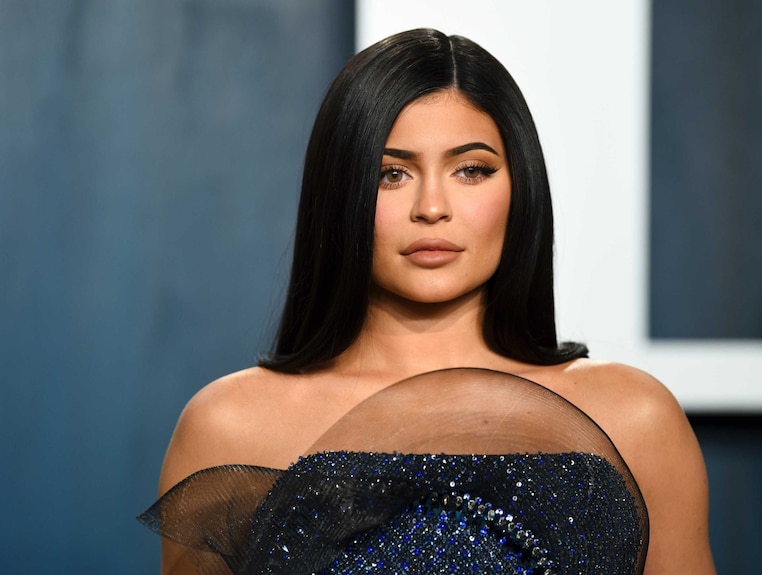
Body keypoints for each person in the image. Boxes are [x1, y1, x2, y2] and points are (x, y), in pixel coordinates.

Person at [140, 28, 715, 574]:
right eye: (391, 174)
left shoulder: (634, 419)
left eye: (471, 170)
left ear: (522, 188)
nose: (432, 206)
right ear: (340, 192)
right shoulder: (232, 425)